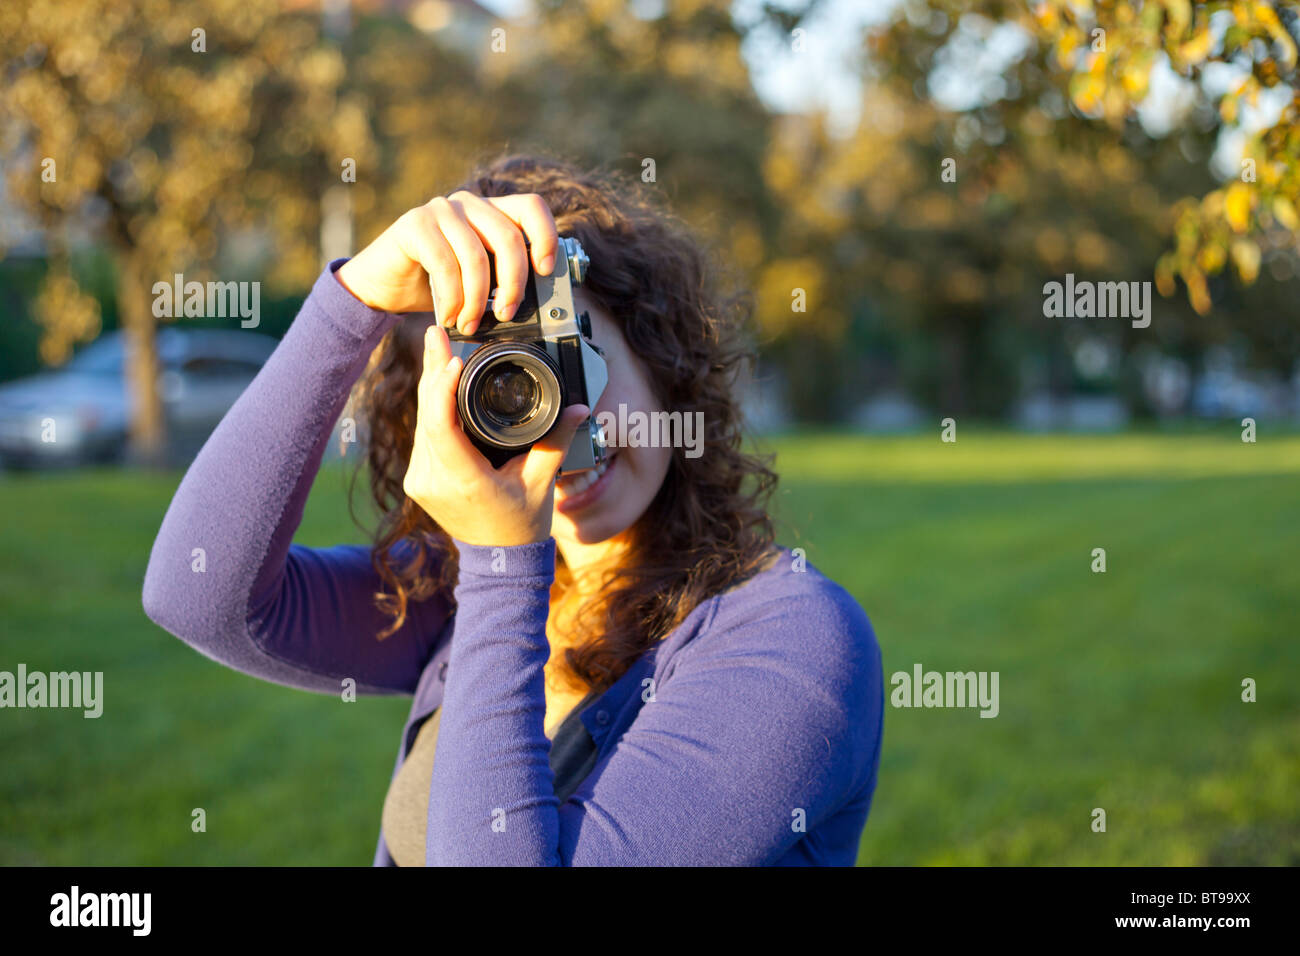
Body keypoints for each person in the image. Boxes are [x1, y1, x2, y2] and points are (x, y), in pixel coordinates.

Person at [142, 153, 884, 866]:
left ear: (663, 363)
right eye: (505, 390)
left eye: (572, 366)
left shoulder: (796, 640)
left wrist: (502, 565)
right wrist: (352, 303)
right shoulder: (454, 590)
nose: (562, 431)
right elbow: (199, 596)